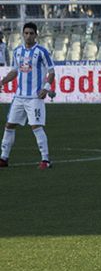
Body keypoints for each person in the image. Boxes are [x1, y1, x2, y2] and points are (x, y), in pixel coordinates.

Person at [0, 23, 56, 169]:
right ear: (22, 34)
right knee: (9, 125)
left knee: (36, 126)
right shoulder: (17, 51)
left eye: (31, 33)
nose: (28, 36)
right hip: (19, 97)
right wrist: (3, 81)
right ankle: (4, 158)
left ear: (36, 35)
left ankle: (45, 160)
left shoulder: (42, 51)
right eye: (26, 33)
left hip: (34, 97)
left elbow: (51, 72)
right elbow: (14, 71)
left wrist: (46, 88)